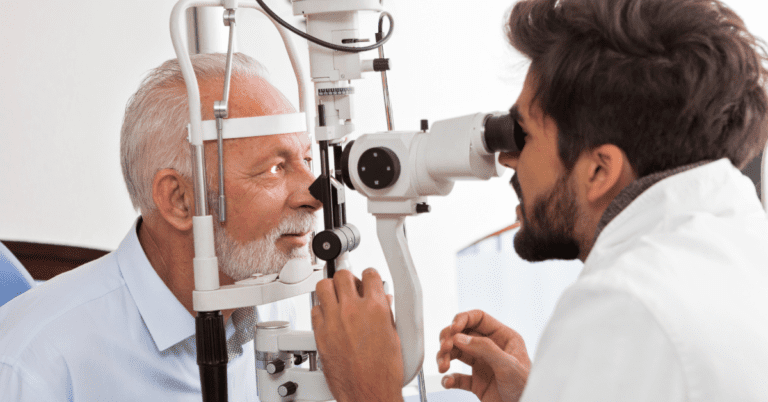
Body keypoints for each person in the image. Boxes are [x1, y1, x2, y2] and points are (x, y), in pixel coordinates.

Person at [311, 0, 768, 401]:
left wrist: (369, 392)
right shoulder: (736, 243)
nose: (507, 157)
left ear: (598, 171)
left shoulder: (624, 307)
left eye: (523, 133)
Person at [0, 52, 321, 400]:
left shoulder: (285, 310)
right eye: (275, 168)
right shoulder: (35, 361)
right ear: (179, 200)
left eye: (306, 159)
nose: (314, 195)